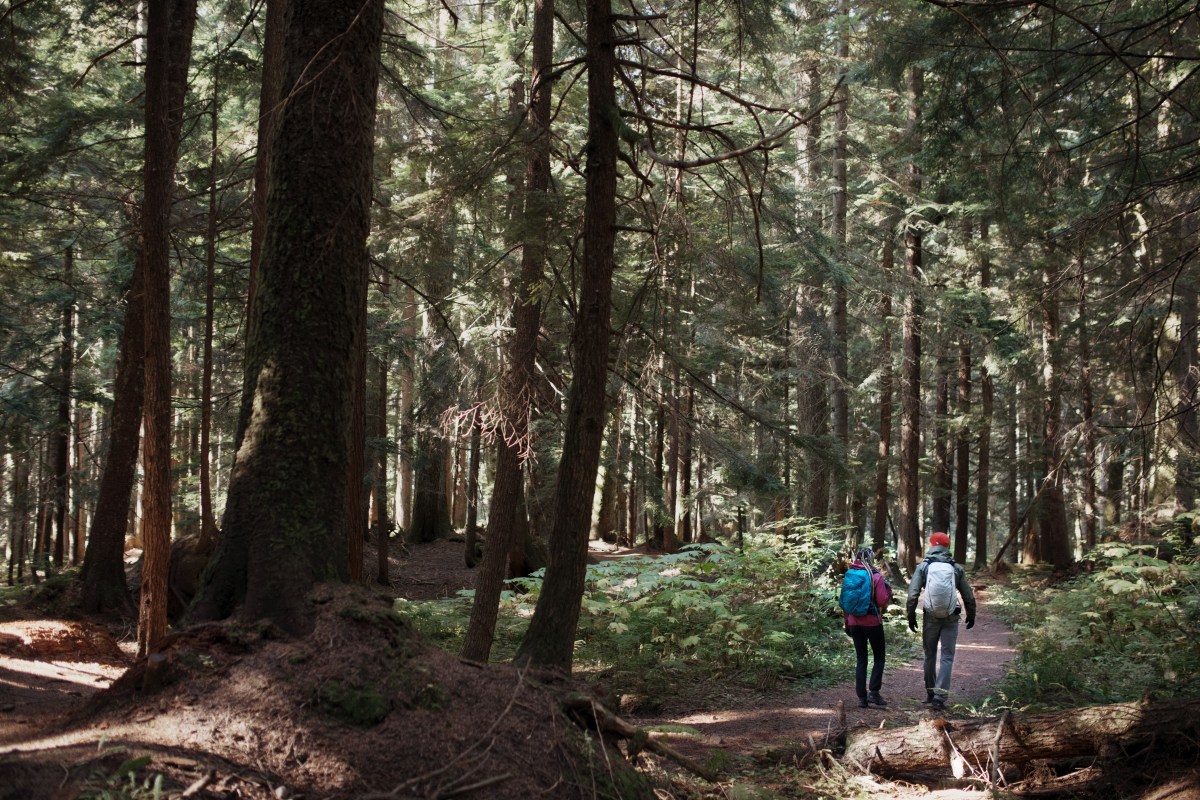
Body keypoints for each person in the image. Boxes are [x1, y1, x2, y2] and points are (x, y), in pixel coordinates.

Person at [906, 531, 976, 711]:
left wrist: (911, 616)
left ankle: (930, 692)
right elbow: (967, 594)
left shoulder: (924, 567)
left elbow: (913, 594)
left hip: (930, 617)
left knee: (929, 655)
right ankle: (940, 697)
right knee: (946, 657)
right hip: (951, 617)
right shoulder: (956, 567)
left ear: (932, 545)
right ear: (947, 546)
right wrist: (971, 614)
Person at [843, 546, 893, 708]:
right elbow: (881, 600)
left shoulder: (849, 574)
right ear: (871, 559)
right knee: (879, 657)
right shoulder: (875, 576)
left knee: (861, 659)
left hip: (854, 622)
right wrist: (888, 592)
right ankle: (874, 692)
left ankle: (862, 698)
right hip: (872, 622)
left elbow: (844, 602)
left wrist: (847, 623)